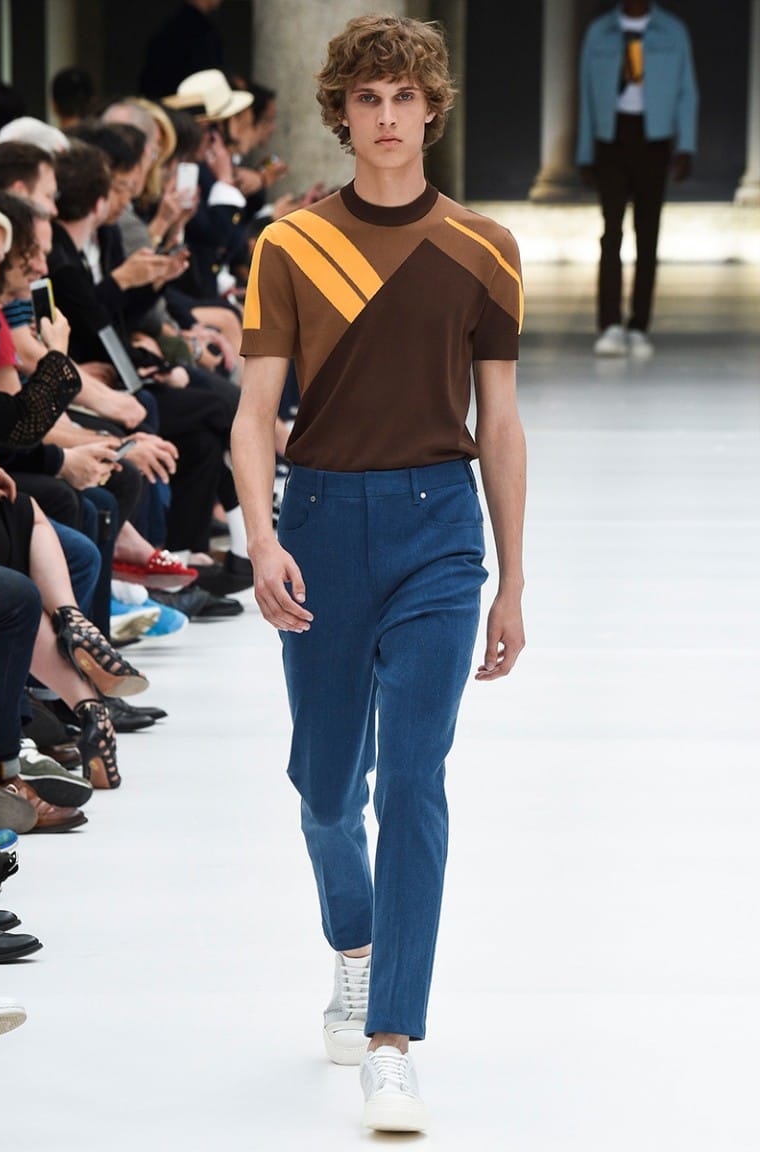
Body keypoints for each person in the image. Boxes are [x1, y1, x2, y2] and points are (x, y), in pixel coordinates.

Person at [231, 14, 526, 1134]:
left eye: (406, 97)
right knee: (323, 788)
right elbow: (253, 414)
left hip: (439, 528)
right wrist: (261, 537)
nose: (389, 116)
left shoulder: (485, 247)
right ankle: (352, 948)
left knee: (413, 778)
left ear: (432, 110)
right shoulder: (289, 246)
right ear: (342, 114)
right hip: (319, 522)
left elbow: (501, 422)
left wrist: (512, 580)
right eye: (369, 98)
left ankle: (393, 1040)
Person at [576, 0, 698, 358]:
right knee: (611, 232)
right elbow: (586, 94)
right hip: (610, 138)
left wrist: (685, 146)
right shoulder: (599, 32)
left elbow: (686, 91)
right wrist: (584, 153)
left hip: (654, 140)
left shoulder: (673, 31)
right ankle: (610, 324)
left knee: (648, 234)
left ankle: (640, 325)